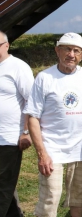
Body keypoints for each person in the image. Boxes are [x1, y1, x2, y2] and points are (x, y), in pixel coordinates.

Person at [24, 33, 82, 217]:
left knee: (79, 198)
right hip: (52, 149)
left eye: (76, 50)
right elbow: (33, 117)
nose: (71, 54)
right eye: (67, 49)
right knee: (50, 198)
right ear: (57, 50)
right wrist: (42, 154)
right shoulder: (44, 77)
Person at [0, 31, 34, 217]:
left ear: (7, 45)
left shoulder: (18, 67)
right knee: (6, 183)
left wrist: (26, 131)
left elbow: (32, 101)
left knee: (3, 183)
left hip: (9, 136)